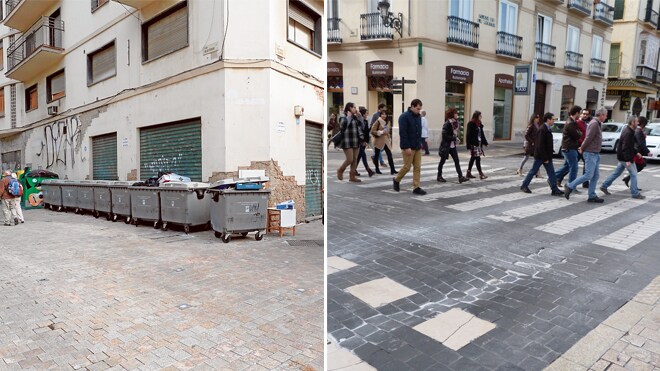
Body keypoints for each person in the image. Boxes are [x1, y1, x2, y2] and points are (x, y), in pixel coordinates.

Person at [564, 107, 607, 203]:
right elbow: (588, 138)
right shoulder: (594, 123)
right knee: (588, 175)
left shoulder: (597, 123)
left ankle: (591, 195)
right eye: (605, 115)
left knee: (595, 176)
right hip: (590, 153)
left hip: (595, 153)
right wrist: (582, 148)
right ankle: (570, 186)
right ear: (601, 115)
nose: (606, 117)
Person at [599, 116, 645, 200]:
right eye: (636, 122)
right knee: (634, 174)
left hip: (622, 157)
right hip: (625, 158)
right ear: (632, 122)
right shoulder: (628, 132)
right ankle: (635, 193)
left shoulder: (629, 131)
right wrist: (627, 159)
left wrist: (636, 152)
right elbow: (625, 147)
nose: (638, 123)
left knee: (616, 173)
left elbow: (629, 146)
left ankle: (604, 186)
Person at [520, 113, 564, 196]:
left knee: (551, 173)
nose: (553, 121)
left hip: (546, 155)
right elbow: (540, 145)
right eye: (552, 119)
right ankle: (524, 185)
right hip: (541, 156)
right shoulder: (542, 129)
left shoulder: (547, 128)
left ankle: (554, 189)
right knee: (533, 171)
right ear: (548, 119)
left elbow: (547, 143)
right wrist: (545, 158)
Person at [393, 99, 426, 195]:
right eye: (417, 108)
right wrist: (406, 147)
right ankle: (396, 179)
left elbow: (418, 131)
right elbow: (403, 133)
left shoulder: (418, 117)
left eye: (420, 109)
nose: (418, 110)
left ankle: (416, 187)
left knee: (417, 167)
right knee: (407, 167)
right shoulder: (404, 117)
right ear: (412, 106)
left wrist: (420, 143)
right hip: (408, 147)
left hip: (417, 146)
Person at [437, 108, 468, 183]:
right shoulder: (447, 123)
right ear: (452, 114)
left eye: (457, 113)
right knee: (442, 161)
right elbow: (444, 135)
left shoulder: (455, 123)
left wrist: (456, 139)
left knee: (457, 161)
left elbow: (453, 134)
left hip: (452, 146)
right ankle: (439, 176)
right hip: (446, 146)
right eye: (455, 113)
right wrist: (454, 138)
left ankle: (460, 177)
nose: (457, 114)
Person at [554, 106, 582, 188]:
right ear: (576, 113)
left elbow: (578, 133)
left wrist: (579, 133)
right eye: (579, 113)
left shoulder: (572, 122)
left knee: (567, 166)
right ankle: (571, 186)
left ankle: (553, 178)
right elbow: (577, 135)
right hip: (570, 147)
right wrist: (579, 133)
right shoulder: (571, 123)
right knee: (574, 167)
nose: (579, 115)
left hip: (569, 147)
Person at [336, 103, 362, 182]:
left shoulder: (355, 117)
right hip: (347, 141)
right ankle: (340, 170)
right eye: (354, 107)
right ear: (349, 108)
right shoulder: (343, 116)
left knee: (355, 159)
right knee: (350, 159)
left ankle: (352, 176)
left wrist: (360, 117)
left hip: (355, 140)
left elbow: (362, 126)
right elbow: (342, 126)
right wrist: (349, 117)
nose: (355, 109)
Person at [622, 116, 649, 188]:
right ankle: (634, 188)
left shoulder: (636, 130)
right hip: (636, 153)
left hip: (635, 152)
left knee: (637, 168)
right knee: (639, 167)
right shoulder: (637, 131)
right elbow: (640, 143)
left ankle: (629, 181)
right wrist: (647, 151)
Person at [371, 110, 398, 175]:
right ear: (380, 115)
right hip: (379, 140)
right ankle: (377, 169)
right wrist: (380, 132)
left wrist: (389, 137)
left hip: (386, 140)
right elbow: (372, 131)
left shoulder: (388, 121)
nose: (384, 115)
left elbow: (388, 130)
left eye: (385, 114)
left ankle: (392, 169)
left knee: (389, 154)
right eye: (382, 114)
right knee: (377, 155)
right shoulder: (378, 121)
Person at [465, 110, 489, 180]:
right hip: (473, 144)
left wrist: (485, 142)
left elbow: (482, 134)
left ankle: (468, 172)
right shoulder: (471, 123)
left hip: (479, 144)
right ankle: (481, 174)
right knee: (477, 159)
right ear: (477, 116)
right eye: (480, 115)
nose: (481, 117)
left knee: (473, 158)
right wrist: (468, 146)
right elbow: (468, 135)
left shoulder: (479, 123)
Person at [356, 107, 375, 177]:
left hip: (364, 141)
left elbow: (366, 132)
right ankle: (368, 170)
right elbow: (360, 132)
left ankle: (354, 170)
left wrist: (371, 127)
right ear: (363, 114)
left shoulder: (365, 121)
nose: (367, 114)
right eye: (366, 113)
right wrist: (363, 141)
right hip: (360, 142)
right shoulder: (359, 122)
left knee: (359, 156)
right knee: (363, 155)